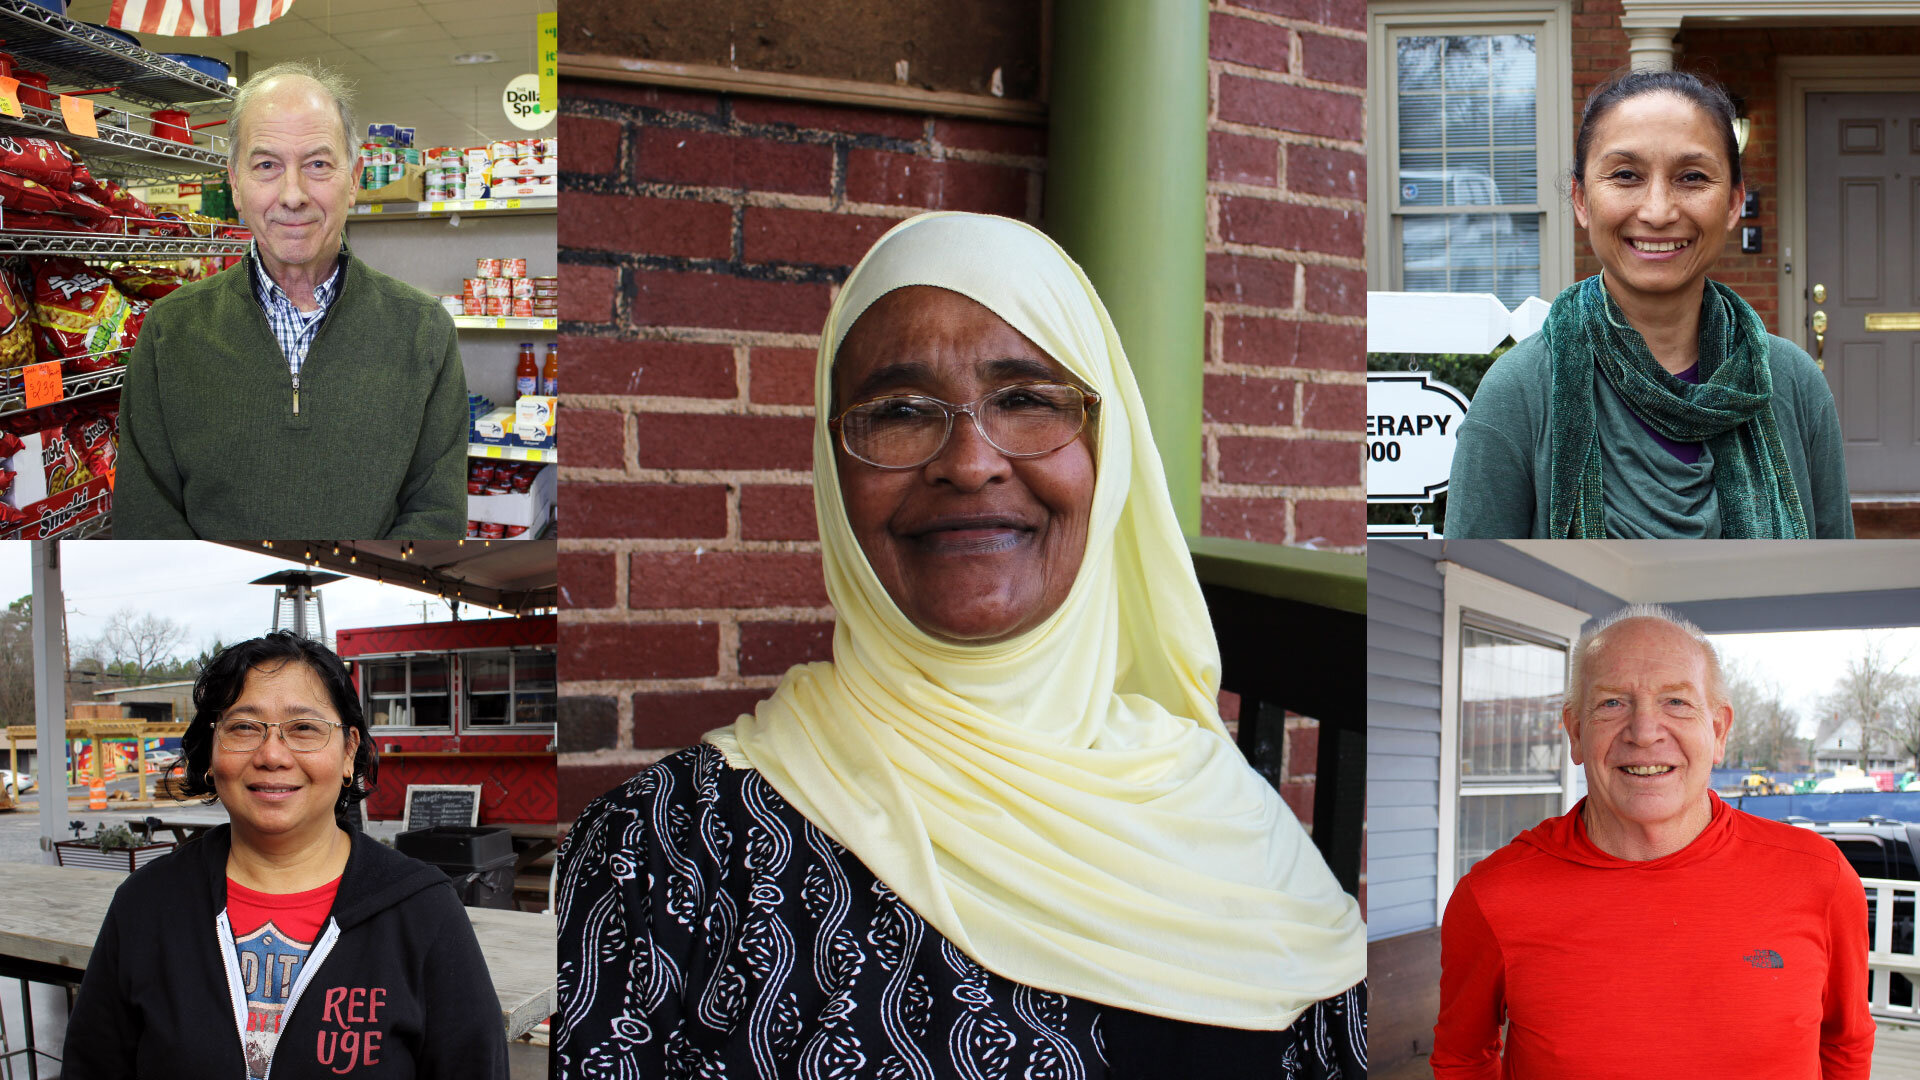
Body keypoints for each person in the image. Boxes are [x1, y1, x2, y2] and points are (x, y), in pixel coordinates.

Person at [555, 212, 1367, 1078]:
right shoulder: (666, 858)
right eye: (900, 411)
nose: (970, 461)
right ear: (835, 472)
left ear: (1108, 449)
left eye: (1024, 400)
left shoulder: (1234, 826)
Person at [1431, 606, 1873, 1078]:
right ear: (1576, 732)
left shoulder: (1819, 878)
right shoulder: (1492, 898)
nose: (1644, 732)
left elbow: (1845, 1044)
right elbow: (1462, 1058)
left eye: (1676, 702)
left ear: (1719, 730)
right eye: (1611, 703)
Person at [62, 632, 508, 1079]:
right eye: (243, 727)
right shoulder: (147, 905)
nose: (272, 755)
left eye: (304, 728)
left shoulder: (423, 912)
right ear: (212, 751)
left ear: (350, 750)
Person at [1445, 70, 1850, 538]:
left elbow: (1835, 597)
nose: (1658, 211)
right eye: (1625, 176)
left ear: (1734, 203)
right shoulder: (1519, 393)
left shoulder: (1793, 385)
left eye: (1692, 177)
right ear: (1580, 200)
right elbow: (1473, 594)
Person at [116, 61, 467, 539]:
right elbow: (146, 520)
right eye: (266, 166)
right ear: (235, 184)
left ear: (354, 178)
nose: (293, 194)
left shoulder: (423, 331)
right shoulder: (168, 333)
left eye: (318, 164)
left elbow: (436, 515)